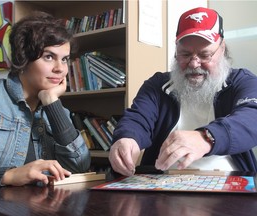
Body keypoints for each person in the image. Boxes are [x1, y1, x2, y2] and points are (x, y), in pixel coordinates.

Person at [109, 7, 257, 176]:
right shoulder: (157, 85)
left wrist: (206, 137)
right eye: (185, 54)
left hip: (231, 186)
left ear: (222, 49)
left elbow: (252, 116)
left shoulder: (242, 81)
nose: (194, 64)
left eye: (204, 55)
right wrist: (127, 138)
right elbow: (137, 118)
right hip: (163, 190)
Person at [0, 11, 91, 199]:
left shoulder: (56, 109)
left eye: (64, 59)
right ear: (23, 58)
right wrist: (10, 175)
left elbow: (80, 166)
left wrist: (51, 102)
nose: (60, 68)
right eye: (49, 57)